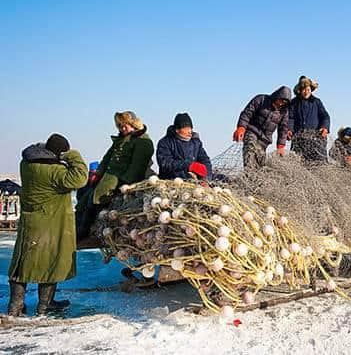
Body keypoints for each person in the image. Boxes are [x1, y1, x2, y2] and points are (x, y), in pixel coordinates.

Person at [8, 134, 87, 316]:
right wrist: (72, 156)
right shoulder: (53, 172)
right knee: (51, 261)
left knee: (22, 263)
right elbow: (79, 179)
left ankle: (16, 305)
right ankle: (45, 305)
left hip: (31, 221)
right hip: (50, 223)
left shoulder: (27, 164)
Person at [76, 111, 154, 241]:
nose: (123, 129)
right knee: (83, 201)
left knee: (94, 202)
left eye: (125, 126)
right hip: (107, 178)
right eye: (120, 126)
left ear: (133, 124)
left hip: (118, 179)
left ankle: (83, 233)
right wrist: (98, 173)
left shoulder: (143, 141)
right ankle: (77, 230)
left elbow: (137, 166)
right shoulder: (120, 140)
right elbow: (107, 158)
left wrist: (124, 183)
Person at [233, 86, 291, 169]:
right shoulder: (261, 99)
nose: (281, 103)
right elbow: (247, 113)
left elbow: (283, 129)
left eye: (284, 102)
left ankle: (255, 179)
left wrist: (281, 146)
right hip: (252, 131)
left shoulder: (284, 112)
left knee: (259, 162)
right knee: (250, 150)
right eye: (281, 100)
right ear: (277, 96)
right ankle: (248, 174)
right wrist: (241, 128)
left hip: (265, 139)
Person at [157, 113, 212, 181]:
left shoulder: (196, 143)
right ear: (177, 130)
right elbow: (165, 164)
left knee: (222, 178)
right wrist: (189, 166)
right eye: (186, 128)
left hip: (194, 179)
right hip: (172, 180)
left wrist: (206, 179)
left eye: (190, 128)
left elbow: (205, 160)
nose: (190, 131)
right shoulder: (165, 142)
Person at [287, 76, 331, 162]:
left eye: (308, 89)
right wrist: (289, 129)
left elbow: (325, 116)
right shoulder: (294, 103)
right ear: (299, 90)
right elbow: (290, 118)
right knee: (299, 162)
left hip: (316, 139)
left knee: (319, 163)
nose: (306, 92)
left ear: (311, 90)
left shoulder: (316, 102)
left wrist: (325, 127)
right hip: (299, 139)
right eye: (303, 90)